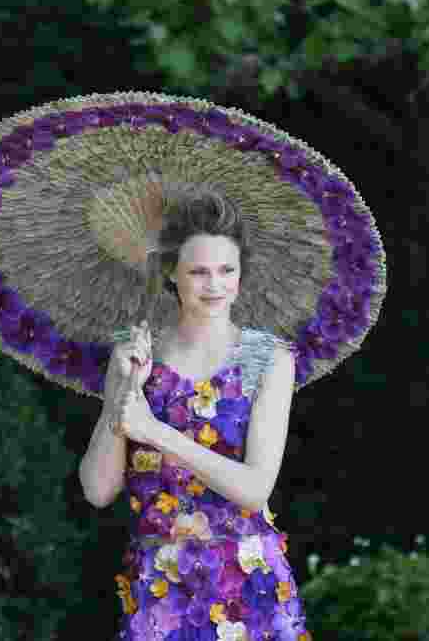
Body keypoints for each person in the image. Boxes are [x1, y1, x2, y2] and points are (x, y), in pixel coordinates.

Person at [78, 191, 313, 641]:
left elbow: (254, 488)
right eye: (199, 272)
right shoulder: (134, 353)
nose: (215, 285)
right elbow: (97, 489)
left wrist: (155, 432)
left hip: (247, 586)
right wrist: (125, 390)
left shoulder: (268, 359)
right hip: (160, 591)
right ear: (172, 273)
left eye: (227, 271)